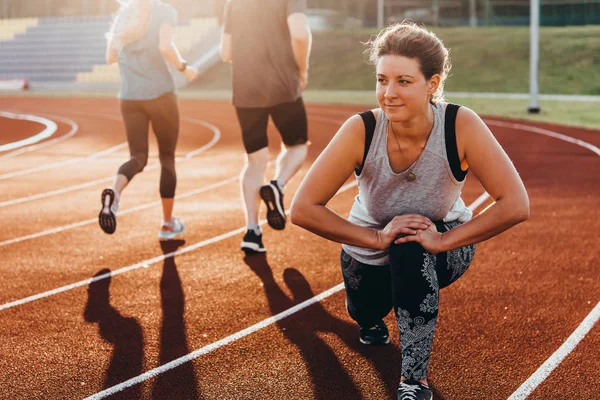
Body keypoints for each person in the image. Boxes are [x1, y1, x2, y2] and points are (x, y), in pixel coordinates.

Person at [290, 22, 529, 400]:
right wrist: (376, 237)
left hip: (442, 245)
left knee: (410, 247)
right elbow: (302, 208)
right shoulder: (362, 130)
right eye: (382, 80)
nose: (388, 93)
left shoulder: (460, 125)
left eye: (403, 81)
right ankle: (369, 316)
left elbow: (517, 204)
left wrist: (443, 239)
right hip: (366, 250)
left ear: (432, 84)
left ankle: (413, 382)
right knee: (365, 311)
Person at [98, 0, 198, 240]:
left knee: (137, 157)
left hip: (129, 97)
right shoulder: (164, 10)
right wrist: (184, 68)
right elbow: (165, 45)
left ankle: (114, 194)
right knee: (167, 158)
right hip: (160, 95)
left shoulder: (123, 14)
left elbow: (110, 57)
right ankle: (166, 224)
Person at [220, 0, 312, 253]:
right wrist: (302, 70)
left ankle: (252, 231)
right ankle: (277, 185)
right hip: (284, 86)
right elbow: (300, 34)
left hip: (245, 89)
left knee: (254, 160)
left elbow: (225, 52)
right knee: (297, 146)